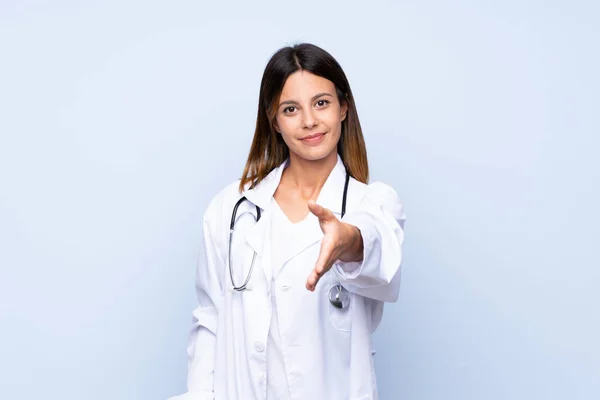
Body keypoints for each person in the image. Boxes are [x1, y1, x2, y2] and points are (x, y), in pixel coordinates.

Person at [168, 42, 406, 400]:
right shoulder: (232, 208)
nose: (309, 121)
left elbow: (373, 247)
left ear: (344, 107)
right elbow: (210, 321)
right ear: (274, 121)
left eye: (321, 103)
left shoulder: (371, 203)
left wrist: (346, 240)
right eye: (291, 109)